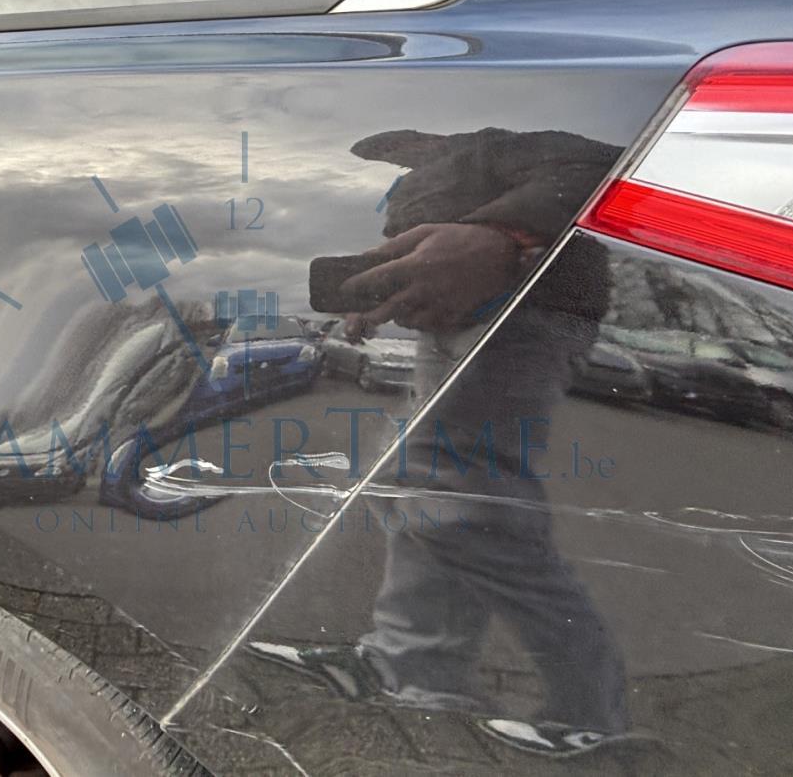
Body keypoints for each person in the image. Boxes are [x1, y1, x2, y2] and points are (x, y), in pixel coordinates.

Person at [251, 127, 630, 757]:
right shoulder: (423, 186)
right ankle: (412, 666)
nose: (389, 158)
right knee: (426, 493)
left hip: (521, 314)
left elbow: (598, 165)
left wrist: (502, 234)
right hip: (454, 326)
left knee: (461, 504)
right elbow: (420, 258)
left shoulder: (491, 146)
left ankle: (594, 708)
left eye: (393, 146)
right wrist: (376, 301)